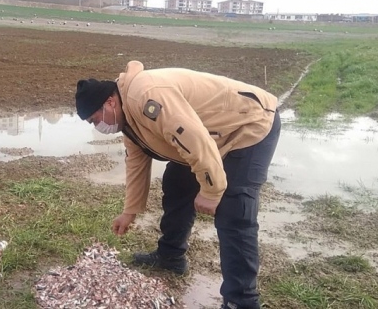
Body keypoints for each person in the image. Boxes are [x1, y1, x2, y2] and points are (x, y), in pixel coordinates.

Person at [75, 61, 281, 309]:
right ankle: (171, 256)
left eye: (94, 119)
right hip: (207, 135)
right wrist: (129, 212)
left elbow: (194, 139)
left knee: (234, 209)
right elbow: (137, 165)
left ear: (109, 102)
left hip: (249, 124)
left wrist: (211, 190)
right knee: (177, 183)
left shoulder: (146, 96)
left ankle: (242, 301)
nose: (97, 126)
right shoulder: (128, 119)